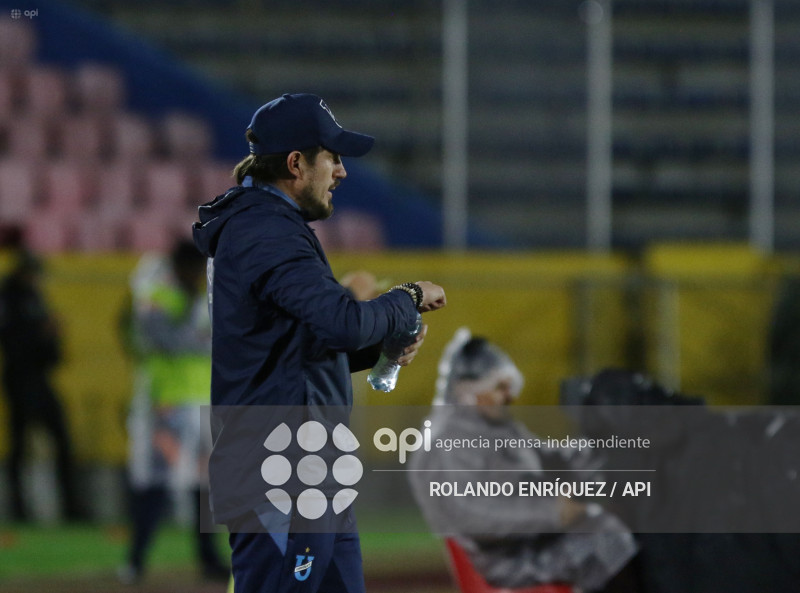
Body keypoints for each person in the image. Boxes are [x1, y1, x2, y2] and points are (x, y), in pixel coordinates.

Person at [191, 92, 446, 593]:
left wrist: (380, 348)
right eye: (332, 157)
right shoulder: (266, 232)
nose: (342, 172)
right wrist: (407, 298)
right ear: (295, 163)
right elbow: (345, 322)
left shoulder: (271, 228)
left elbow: (305, 347)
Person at [408, 329, 640, 593]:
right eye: (499, 387)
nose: (510, 396)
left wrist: (604, 454)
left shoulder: (492, 425)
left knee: (619, 529)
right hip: (507, 561)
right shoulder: (446, 440)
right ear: (466, 391)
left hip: (529, 542)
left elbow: (551, 457)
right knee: (609, 539)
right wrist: (554, 512)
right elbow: (469, 512)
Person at [118, 238, 228, 584]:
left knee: (206, 486)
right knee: (155, 483)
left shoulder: (206, 301)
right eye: (193, 269)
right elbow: (168, 341)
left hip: (205, 402)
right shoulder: (159, 299)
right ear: (179, 268)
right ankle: (135, 560)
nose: (197, 276)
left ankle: (209, 559)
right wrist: (201, 333)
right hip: (167, 404)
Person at [0, 246, 83, 522]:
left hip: (37, 376)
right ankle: (20, 509)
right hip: (20, 377)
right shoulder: (10, 297)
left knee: (54, 439)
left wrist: (51, 340)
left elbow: (47, 348)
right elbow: (12, 340)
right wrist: (41, 334)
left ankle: (70, 506)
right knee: (22, 444)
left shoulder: (32, 296)